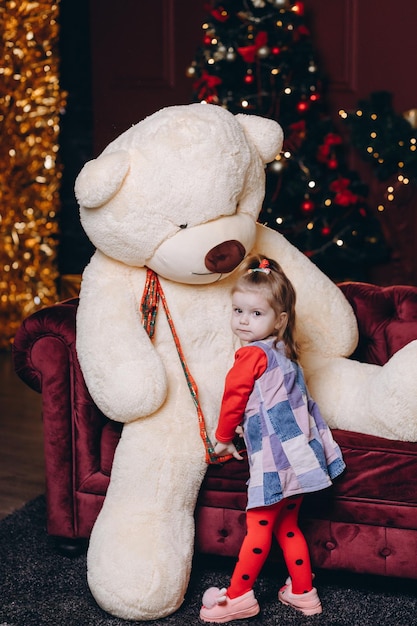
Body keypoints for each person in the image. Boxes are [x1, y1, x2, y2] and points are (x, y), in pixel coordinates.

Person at [200, 254, 345, 623]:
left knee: (259, 526)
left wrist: (222, 437)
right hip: (301, 458)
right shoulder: (284, 352)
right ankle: (302, 592)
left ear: (279, 320)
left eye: (256, 314)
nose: (243, 321)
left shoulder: (250, 356)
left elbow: (233, 400)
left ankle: (237, 596)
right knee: (288, 525)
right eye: (238, 311)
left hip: (275, 460)